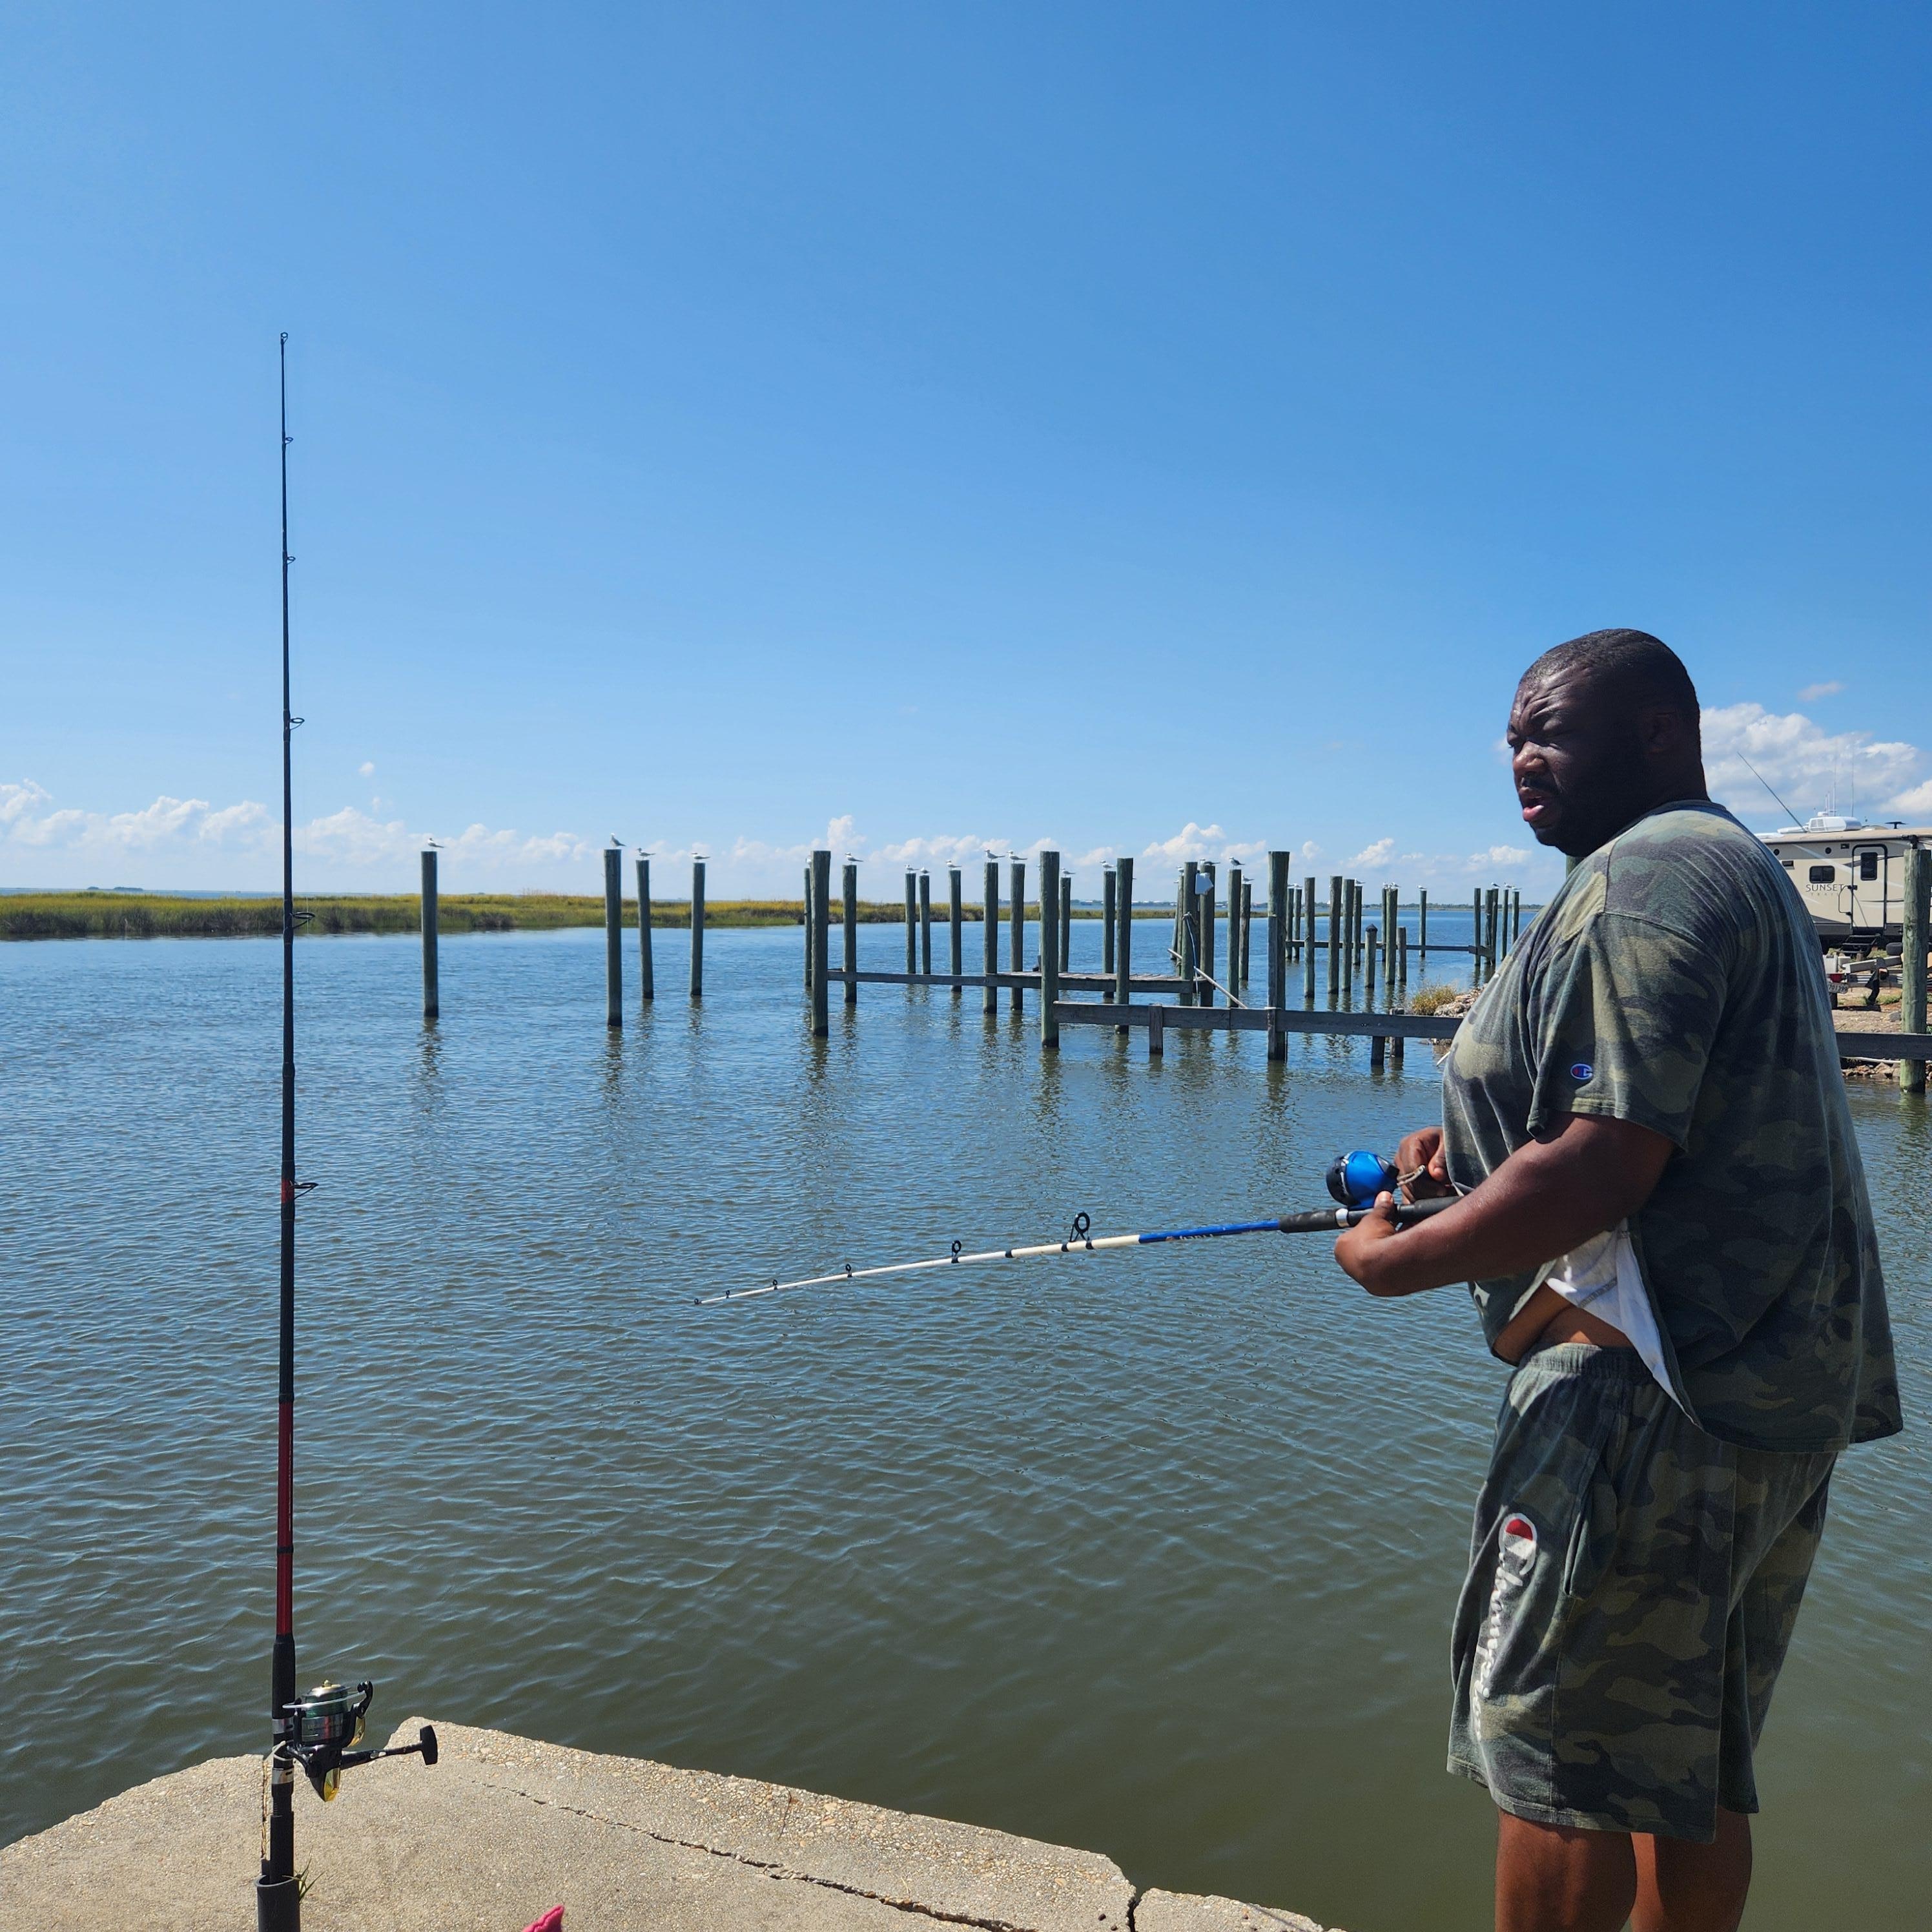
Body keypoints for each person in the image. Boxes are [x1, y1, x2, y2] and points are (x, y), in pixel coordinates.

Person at [1333, 629, 1901, 1932]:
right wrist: (1459, 1160)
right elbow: (1621, 1112)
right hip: (1760, 1386)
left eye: (1553, 731)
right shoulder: (1723, 863)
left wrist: (1395, 1259)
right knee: (1681, 1757)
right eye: (1512, 738)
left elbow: (1604, 1162)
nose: (1522, 758)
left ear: (1657, 731)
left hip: (1641, 1393)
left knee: (1547, 1756)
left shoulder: (1646, 875)